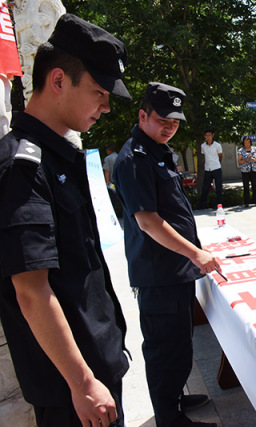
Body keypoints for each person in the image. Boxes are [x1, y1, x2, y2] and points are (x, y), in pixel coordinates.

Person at [0, 14, 131, 426]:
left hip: (97, 371)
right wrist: (82, 382)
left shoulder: (58, 157)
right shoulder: (21, 165)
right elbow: (32, 292)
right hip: (74, 393)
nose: (106, 107)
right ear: (58, 81)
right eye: (98, 92)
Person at [113, 82, 219, 427]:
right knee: (164, 348)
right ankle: (168, 417)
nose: (169, 128)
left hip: (175, 269)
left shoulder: (158, 150)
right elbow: (149, 222)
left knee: (179, 343)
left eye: (174, 123)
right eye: (162, 121)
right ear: (142, 115)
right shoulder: (134, 158)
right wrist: (196, 254)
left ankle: (174, 396)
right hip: (158, 274)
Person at [197, 129, 223, 209]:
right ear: (204, 137)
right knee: (205, 187)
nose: (208, 137)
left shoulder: (217, 145)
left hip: (216, 167)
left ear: (212, 136)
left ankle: (219, 204)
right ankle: (203, 205)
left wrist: (217, 163)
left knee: (219, 187)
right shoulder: (203, 146)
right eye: (206, 136)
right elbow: (204, 155)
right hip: (208, 168)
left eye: (209, 135)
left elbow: (220, 156)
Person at [237, 135, 256, 207]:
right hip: (245, 170)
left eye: (248, 142)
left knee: (254, 186)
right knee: (246, 186)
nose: (247, 144)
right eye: (245, 142)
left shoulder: (255, 149)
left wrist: (253, 159)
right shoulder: (241, 150)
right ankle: (246, 202)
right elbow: (239, 161)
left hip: (253, 169)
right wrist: (244, 160)